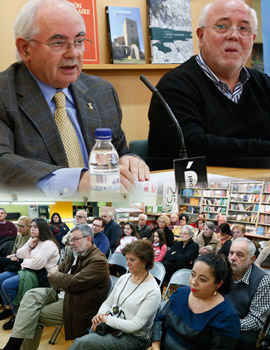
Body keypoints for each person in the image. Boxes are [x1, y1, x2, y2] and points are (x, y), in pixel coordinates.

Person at [0, 0, 149, 197]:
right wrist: (76, 181)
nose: (73, 54)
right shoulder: (5, 93)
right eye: (58, 43)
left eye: (79, 41)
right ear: (25, 49)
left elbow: (119, 150)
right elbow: (3, 162)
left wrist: (130, 160)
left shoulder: (101, 91)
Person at [147, 0, 270, 170]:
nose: (234, 35)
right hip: (188, 191)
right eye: (222, 26)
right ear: (201, 35)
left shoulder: (264, 84)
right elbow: (195, 146)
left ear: (252, 38)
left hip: (259, 187)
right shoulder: (174, 86)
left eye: (243, 28)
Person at [0, 224, 110, 350]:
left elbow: (70, 283)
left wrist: (58, 276)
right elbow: (53, 274)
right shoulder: (75, 254)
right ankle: (14, 344)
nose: (72, 243)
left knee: (33, 316)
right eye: (71, 240)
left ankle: (13, 346)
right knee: (31, 294)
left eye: (75, 239)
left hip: (77, 303)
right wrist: (59, 277)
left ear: (88, 239)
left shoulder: (98, 260)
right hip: (62, 292)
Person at [69, 240, 161, 350]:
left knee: (82, 343)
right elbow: (108, 302)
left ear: (145, 261)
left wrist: (106, 320)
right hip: (112, 326)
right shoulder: (124, 278)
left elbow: (136, 326)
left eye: (132, 260)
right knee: (84, 342)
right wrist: (100, 316)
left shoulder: (152, 291)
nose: (127, 263)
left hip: (133, 337)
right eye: (126, 259)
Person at [152, 253, 240, 350]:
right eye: (192, 274)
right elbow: (159, 320)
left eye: (202, 279)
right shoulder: (180, 293)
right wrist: (156, 346)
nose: (194, 282)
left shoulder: (226, 317)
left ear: (218, 284)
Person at [0, 218, 60, 330]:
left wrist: (25, 261)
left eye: (35, 227)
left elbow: (37, 264)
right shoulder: (33, 240)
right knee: (1, 278)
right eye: (31, 226)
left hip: (43, 276)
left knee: (7, 285)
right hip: (29, 270)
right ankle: (8, 308)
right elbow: (19, 253)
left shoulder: (49, 244)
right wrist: (30, 247)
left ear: (42, 229)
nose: (32, 229)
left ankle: (17, 315)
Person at [226, 237, 270, 350]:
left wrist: (229, 324)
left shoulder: (263, 280)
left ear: (251, 259)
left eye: (239, 255)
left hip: (244, 323)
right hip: (221, 315)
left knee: (245, 341)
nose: (232, 258)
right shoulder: (223, 270)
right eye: (231, 253)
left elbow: (257, 320)